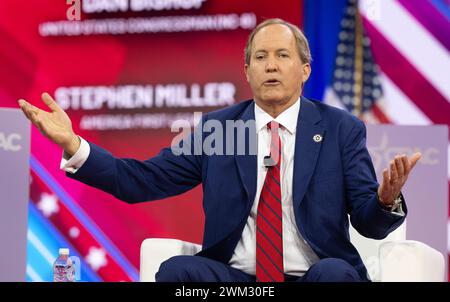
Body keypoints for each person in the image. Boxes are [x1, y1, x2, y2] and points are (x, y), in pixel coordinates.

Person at [18, 18, 421, 282]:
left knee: (334, 275)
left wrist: (385, 200)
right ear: (246, 72)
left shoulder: (340, 129)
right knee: (177, 273)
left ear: (305, 70)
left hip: (315, 275)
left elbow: (369, 223)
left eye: (283, 56)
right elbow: (141, 181)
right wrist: (74, 145)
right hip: (239, 283)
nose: (271, 66)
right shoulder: (219, 129)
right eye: (260, 57)